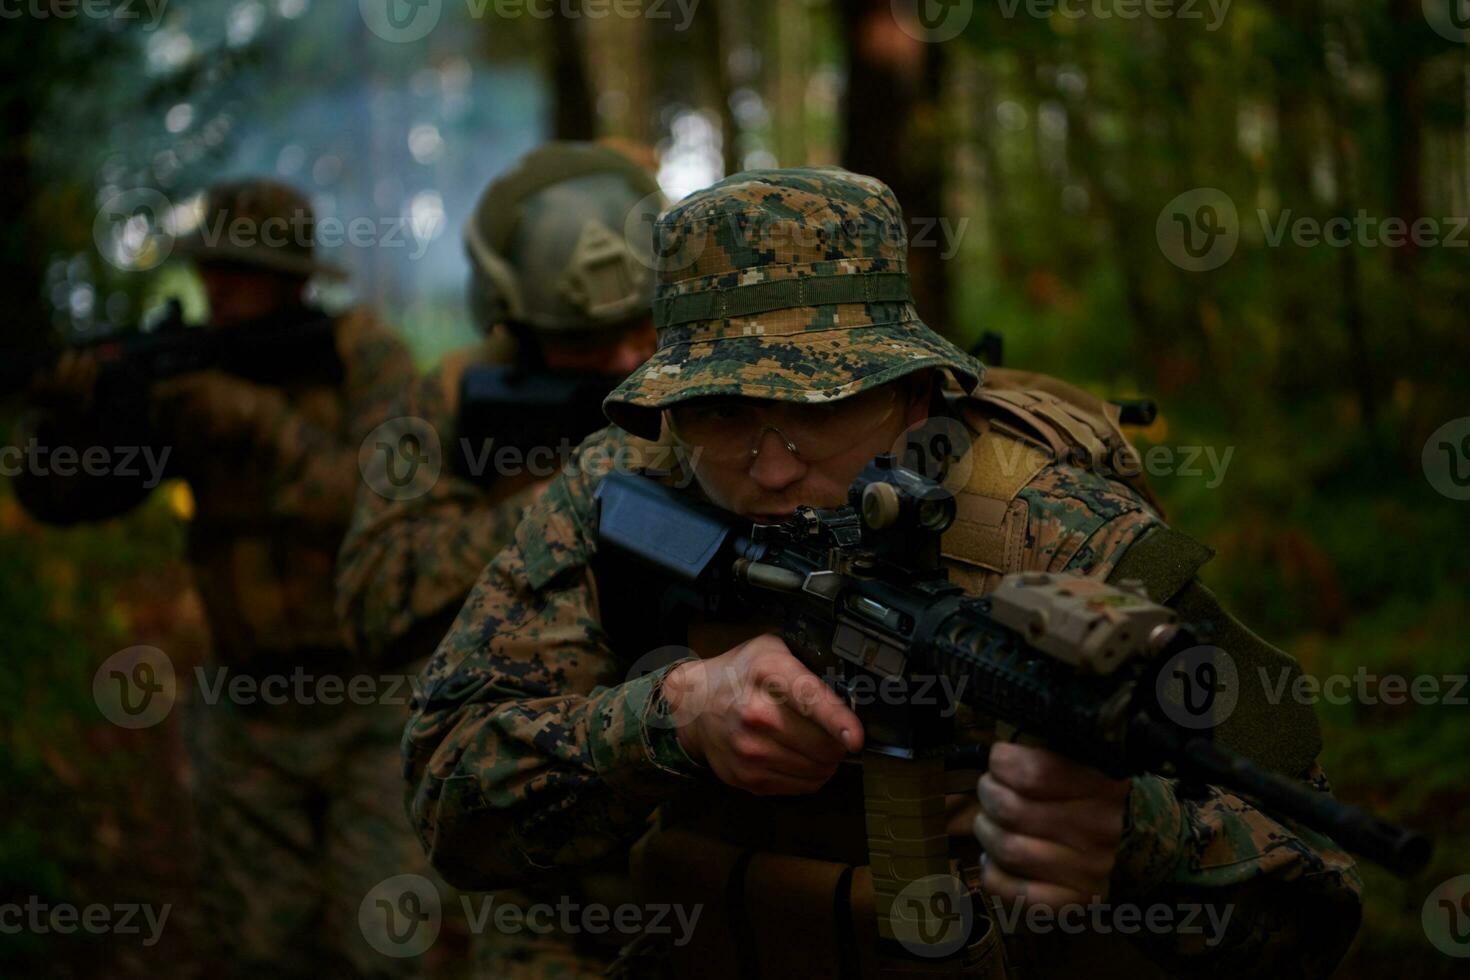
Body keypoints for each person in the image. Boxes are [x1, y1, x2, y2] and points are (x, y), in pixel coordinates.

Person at [400, 168, 1363, 978]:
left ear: (913, 390)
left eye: (819, 410)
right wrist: (667, 718)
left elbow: (1318, 894)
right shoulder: (624, 483)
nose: (771, 464)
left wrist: (1142, 838)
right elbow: (448, 798)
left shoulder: (1059, 531)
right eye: (723, 412)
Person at [14, 180, 420, 977]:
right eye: (214, 267)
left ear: (296, 279)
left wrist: (253, 421)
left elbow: (387, 501)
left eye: (246, 267)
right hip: (249, 708)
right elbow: (67, 501)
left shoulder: (362, 355)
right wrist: (73, 417)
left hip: (375, 700)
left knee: (384, 950)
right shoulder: (183, 380)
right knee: (261, 949)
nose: (221, 285)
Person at [335, 141, 662, 976]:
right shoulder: (451, 398)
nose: (628, 362)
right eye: (588, 342)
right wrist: (571, 500)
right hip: (542, 846)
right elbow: (373, 600)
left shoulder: (719, 381)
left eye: (643, 326)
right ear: (513, 321)